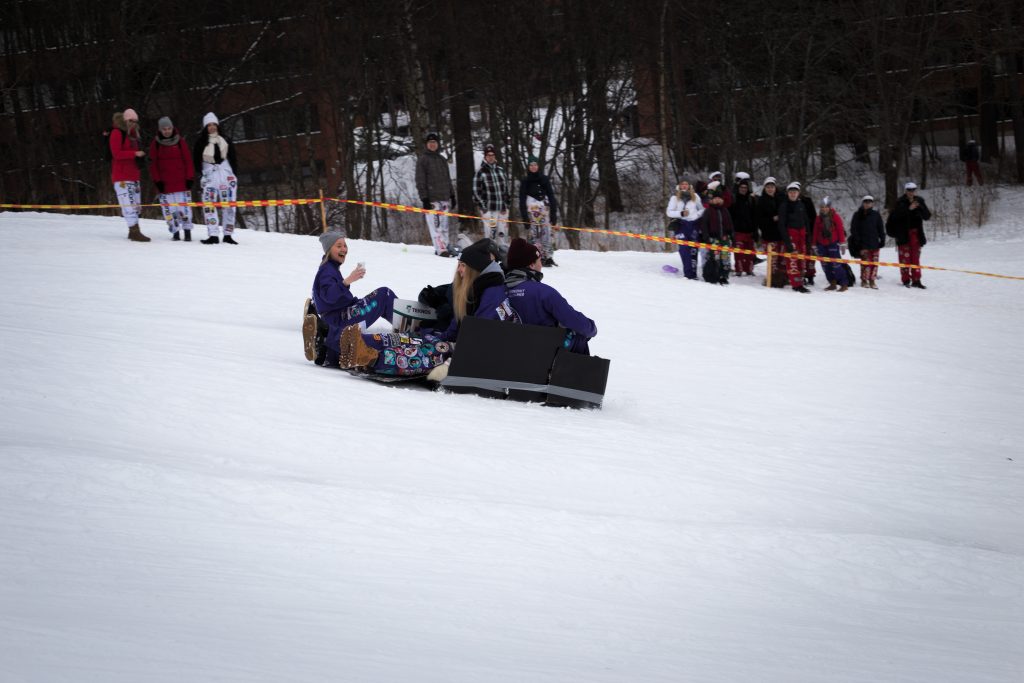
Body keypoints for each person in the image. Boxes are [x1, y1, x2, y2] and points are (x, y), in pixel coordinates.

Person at [336, 239, 504, 377]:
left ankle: (371, 359)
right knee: (411, 338)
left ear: (474, 268)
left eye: (463, 265)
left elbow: (481, 332)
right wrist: (434, 334)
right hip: (454, 341)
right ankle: (359, 344)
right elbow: (456, 325)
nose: (459, 270)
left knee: (423, 353)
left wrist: (447, 347)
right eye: (459, 264)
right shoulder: (471, 288)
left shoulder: (493, 291)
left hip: (467, 352)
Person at [484, 238, 596, 354]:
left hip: (510, 355)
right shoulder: (543, 293)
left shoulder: (497, 292)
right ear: (532, 265)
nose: (541, 264)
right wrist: (592, 327)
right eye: (539, 260)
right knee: (578, 337)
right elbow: (573, 320)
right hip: (545, 357)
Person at [310, 231, 397, 367]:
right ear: (328, 249)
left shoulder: (330, 269)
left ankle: (328, 352)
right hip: (339, 320)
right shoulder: (326, 271)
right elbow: (329, 296)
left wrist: (356, 299)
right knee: (383, 295)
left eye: (345, 245)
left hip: (338, 319)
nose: (344, 249)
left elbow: (330, 299)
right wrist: (347, 281)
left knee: (381, 299)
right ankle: (411, 330)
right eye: (338, 246)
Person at [192, 112, 239, 245]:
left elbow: (233, 158)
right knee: (209, 205)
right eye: (209, 125)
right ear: (205, 127)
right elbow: (196, 160)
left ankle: (228, 234)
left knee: (229, 205)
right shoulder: (200, 142)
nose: (212, 127)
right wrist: (201, 174)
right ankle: (213, 234)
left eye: (214, 124)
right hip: (209, 175)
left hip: (226, 174)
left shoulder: (226, 139)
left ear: (218, 125)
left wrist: (233, 174)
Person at [148, 116, 194, 241]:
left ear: (172, 128)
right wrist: (157, 181)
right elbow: (153, 165)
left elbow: (188, 160)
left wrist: (190, 177)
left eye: (169, 128)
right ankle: (175, 232)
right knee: (169, 210)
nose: (167, 131)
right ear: (160, 130)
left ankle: (187, 231)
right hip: (165, 184)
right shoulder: (155, 144)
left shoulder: (180, 142)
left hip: (181, 183)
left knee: (184, 208)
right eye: (164, 129)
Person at [109, 108, 150, 242]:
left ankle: (133, 230)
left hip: (134, 174)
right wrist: (134, 154)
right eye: (130, 121)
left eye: (135, 121)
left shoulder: (134, 135)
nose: (133, 123)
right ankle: (134, 230)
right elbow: (116, 154)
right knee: (128, 204)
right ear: (125, 120)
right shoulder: (116, 133)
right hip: (121, 176)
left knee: (136, 205)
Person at [415, 132, 456, 257]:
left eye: (434, 142)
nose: (432, 145)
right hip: (432, 200)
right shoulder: (423, 160)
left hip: (444, 198)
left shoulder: (442, 159)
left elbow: (448, 179)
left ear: (437, 144)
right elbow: (420, 180)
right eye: (430, 142)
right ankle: (440, 249)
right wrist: (424, 198)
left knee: (444, 226)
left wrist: (452, 195)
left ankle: (446, 245)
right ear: (427, 144)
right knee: (436, 227)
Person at [886, 181, 931, 289]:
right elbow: (894, 217)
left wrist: (919, 208)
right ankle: (906, 280)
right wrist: (908, 209)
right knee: (904, 258)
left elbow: (927, 216)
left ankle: (917, 280)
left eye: (913, 190)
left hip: (916, 234)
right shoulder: (900, 202)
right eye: (909, 190)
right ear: (905, 191)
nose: (911, 192)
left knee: (915, 258)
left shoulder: (919, 201)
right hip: (903, 235)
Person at [519, 155, 560, 266]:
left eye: (535, 165)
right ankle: (535, 257)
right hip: (531, 211)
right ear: (528, 167)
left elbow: (551, 196)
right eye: (531, 165)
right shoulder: (525, 180)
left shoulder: (544, 179)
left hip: (543, 210)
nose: (533, 167)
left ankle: (548, 256)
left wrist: (553, 214)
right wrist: (524, 217)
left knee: (546, 233)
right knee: (534, 234)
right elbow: (522, 199)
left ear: (538, 166)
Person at [473, 144, 511, 248]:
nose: (491, 157)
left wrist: (506, 204)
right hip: (488, 209)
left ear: (495, 156)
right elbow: (476, 191)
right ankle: (490, 254)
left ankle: (502, 254)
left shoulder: (500, 170)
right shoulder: (480, 172)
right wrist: (483, 207)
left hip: (501, 209)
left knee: (502, 234)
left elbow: (506, 189)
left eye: (492, 155)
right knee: (491, 234)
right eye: (488, 155)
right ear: (485, 156)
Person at [665, 178, 704, 280]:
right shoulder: (674, 198)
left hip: (694, 225)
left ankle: (693, 274)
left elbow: (702, 209)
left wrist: (696, 215)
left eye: (686, 184)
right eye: (682, 184)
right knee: (684, 249)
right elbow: (669, 212)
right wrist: (680, 213)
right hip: (681, 226)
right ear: (679, 186)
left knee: (693, 250)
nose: (684, 186)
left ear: (689, 186)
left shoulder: (695, 196)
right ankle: (688, 274)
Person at [777, 182, 813, 293]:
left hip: (802, 234)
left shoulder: (801, 204)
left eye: (795, 192)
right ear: (788, 193)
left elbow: (806, 221)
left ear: (798, 193)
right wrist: (787, 242)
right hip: (791, 235)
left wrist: (808, 237)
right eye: (791, 192)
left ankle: (801, 280)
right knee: (792, 259)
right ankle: (796, 284)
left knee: (801, 259)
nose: (793, 194)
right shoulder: (784, 206)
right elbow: (781, 225)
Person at [812, 197, 849, 292]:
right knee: (825, 265)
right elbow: (815, 231)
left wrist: (842, 243)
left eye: (826, 207)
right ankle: (832, 283)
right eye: (822, 207)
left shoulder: (835, 216)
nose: (824, 208)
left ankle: (843, 283)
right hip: (821, 244)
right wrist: (814, 244)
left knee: (836, 264)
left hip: (833, 243)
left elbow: (840, 230)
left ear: (829, 207)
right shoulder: (818, 218)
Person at [700, 180, 734, 285]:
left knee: (725, 258)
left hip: (724, 238)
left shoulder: (725, 210)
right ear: (711, 200)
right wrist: (706, 237)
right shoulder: (708, 211)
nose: (718, 200)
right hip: (713, 238)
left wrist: (732, 236)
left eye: (719, 198)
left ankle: (724, 275)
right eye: (715, 198)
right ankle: (714, 274)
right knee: (714, 257)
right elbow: (704, 225)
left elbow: (730, 224)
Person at [849, 195, 886, 289]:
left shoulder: (876, 214)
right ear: (863, 203)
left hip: (874, 242)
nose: (867, 204)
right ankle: (864, 280)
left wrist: (882, 239)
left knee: (874, 263)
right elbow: (854, 229)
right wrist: (857, 241)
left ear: (872, 204)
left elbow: (880, 228)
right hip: (863, 243)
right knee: (865, 263)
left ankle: (872, 280)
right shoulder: (857, 214)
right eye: (865, 202)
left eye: (869, 202)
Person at [756, 176, 785, 287]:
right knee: (772, 259)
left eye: (772, 187)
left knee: (782, 258)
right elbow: (759, 219)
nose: (770, 189)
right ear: (765, 188)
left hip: (781, 234)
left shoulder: (781, 198)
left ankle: (782, 278)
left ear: (775, 187)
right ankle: (771, 279)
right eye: (768, 187)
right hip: (768, 234)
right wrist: (772, 219)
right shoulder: (762, 201)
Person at [729, 177, 758, 276]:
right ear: (738, 188)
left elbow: (755, 216)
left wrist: (755, 231)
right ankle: (739, 270)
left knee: (750, 253)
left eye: (745, 187)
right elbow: (730, 215)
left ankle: (749, 269)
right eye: (741, 187)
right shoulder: (734, 199)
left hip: (749, 230)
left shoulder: (751, 199)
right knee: (738, 253)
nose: (743, 189)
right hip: (738, 231)